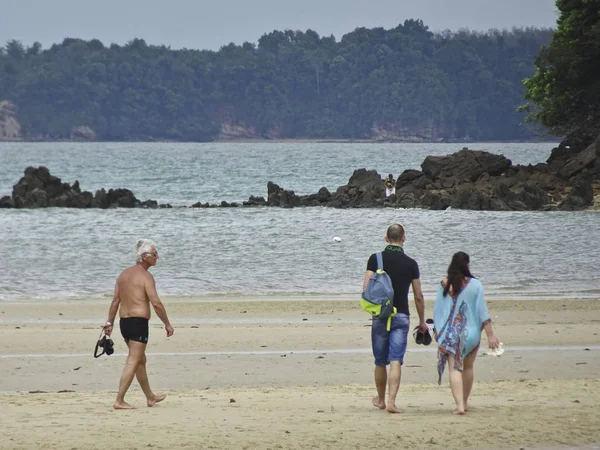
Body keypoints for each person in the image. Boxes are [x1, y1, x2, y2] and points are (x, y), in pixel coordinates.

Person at [363, 224, 427, 413]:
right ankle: (392, 402)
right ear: (404, 238)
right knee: (396, 360)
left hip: (381, 315)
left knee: (380, 361)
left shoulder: (376, 259)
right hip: (402, 316)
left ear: (386, 239)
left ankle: (381, 400)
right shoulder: (411, 263)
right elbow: (418, 296)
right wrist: (422, 321)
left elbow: (366, 288)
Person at [103, 239, 174, 410]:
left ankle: (150, 397)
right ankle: (119, 400)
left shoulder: (123, 274)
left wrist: (109, 322)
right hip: (138, 323)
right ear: (145, 256)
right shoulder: (146, 276)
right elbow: (156, 303)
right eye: (155, 254)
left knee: (140, 360)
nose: (158, 257)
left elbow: (115, 301)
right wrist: (167, 324)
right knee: (133, 360)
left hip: (124, 324)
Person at [433, 251, 500, 415]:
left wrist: (437, 331)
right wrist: (490, 335)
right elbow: (482, 311)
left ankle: (459, 406)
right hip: (471, 333)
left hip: (451, 334)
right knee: (468, 367)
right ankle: (465, 401)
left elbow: (438, 312)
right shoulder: (476, 285)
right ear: (467, 265)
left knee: (455, 368)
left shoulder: (444, 285)